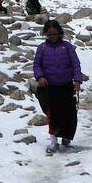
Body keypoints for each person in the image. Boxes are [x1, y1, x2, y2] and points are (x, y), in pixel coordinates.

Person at [32, 19, 85, 154]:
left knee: (69, 115)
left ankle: (66, 139)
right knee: (52, 115)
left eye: (55, 34)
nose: (52, 37)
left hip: (67, 86)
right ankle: (54, 142)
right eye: (49, 34)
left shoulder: (67, 47)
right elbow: (37, 65)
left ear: (59, 33)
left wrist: (77, 81)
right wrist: (40, 77)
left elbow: (76, 65)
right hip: (50, 87)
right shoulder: (42, 48)